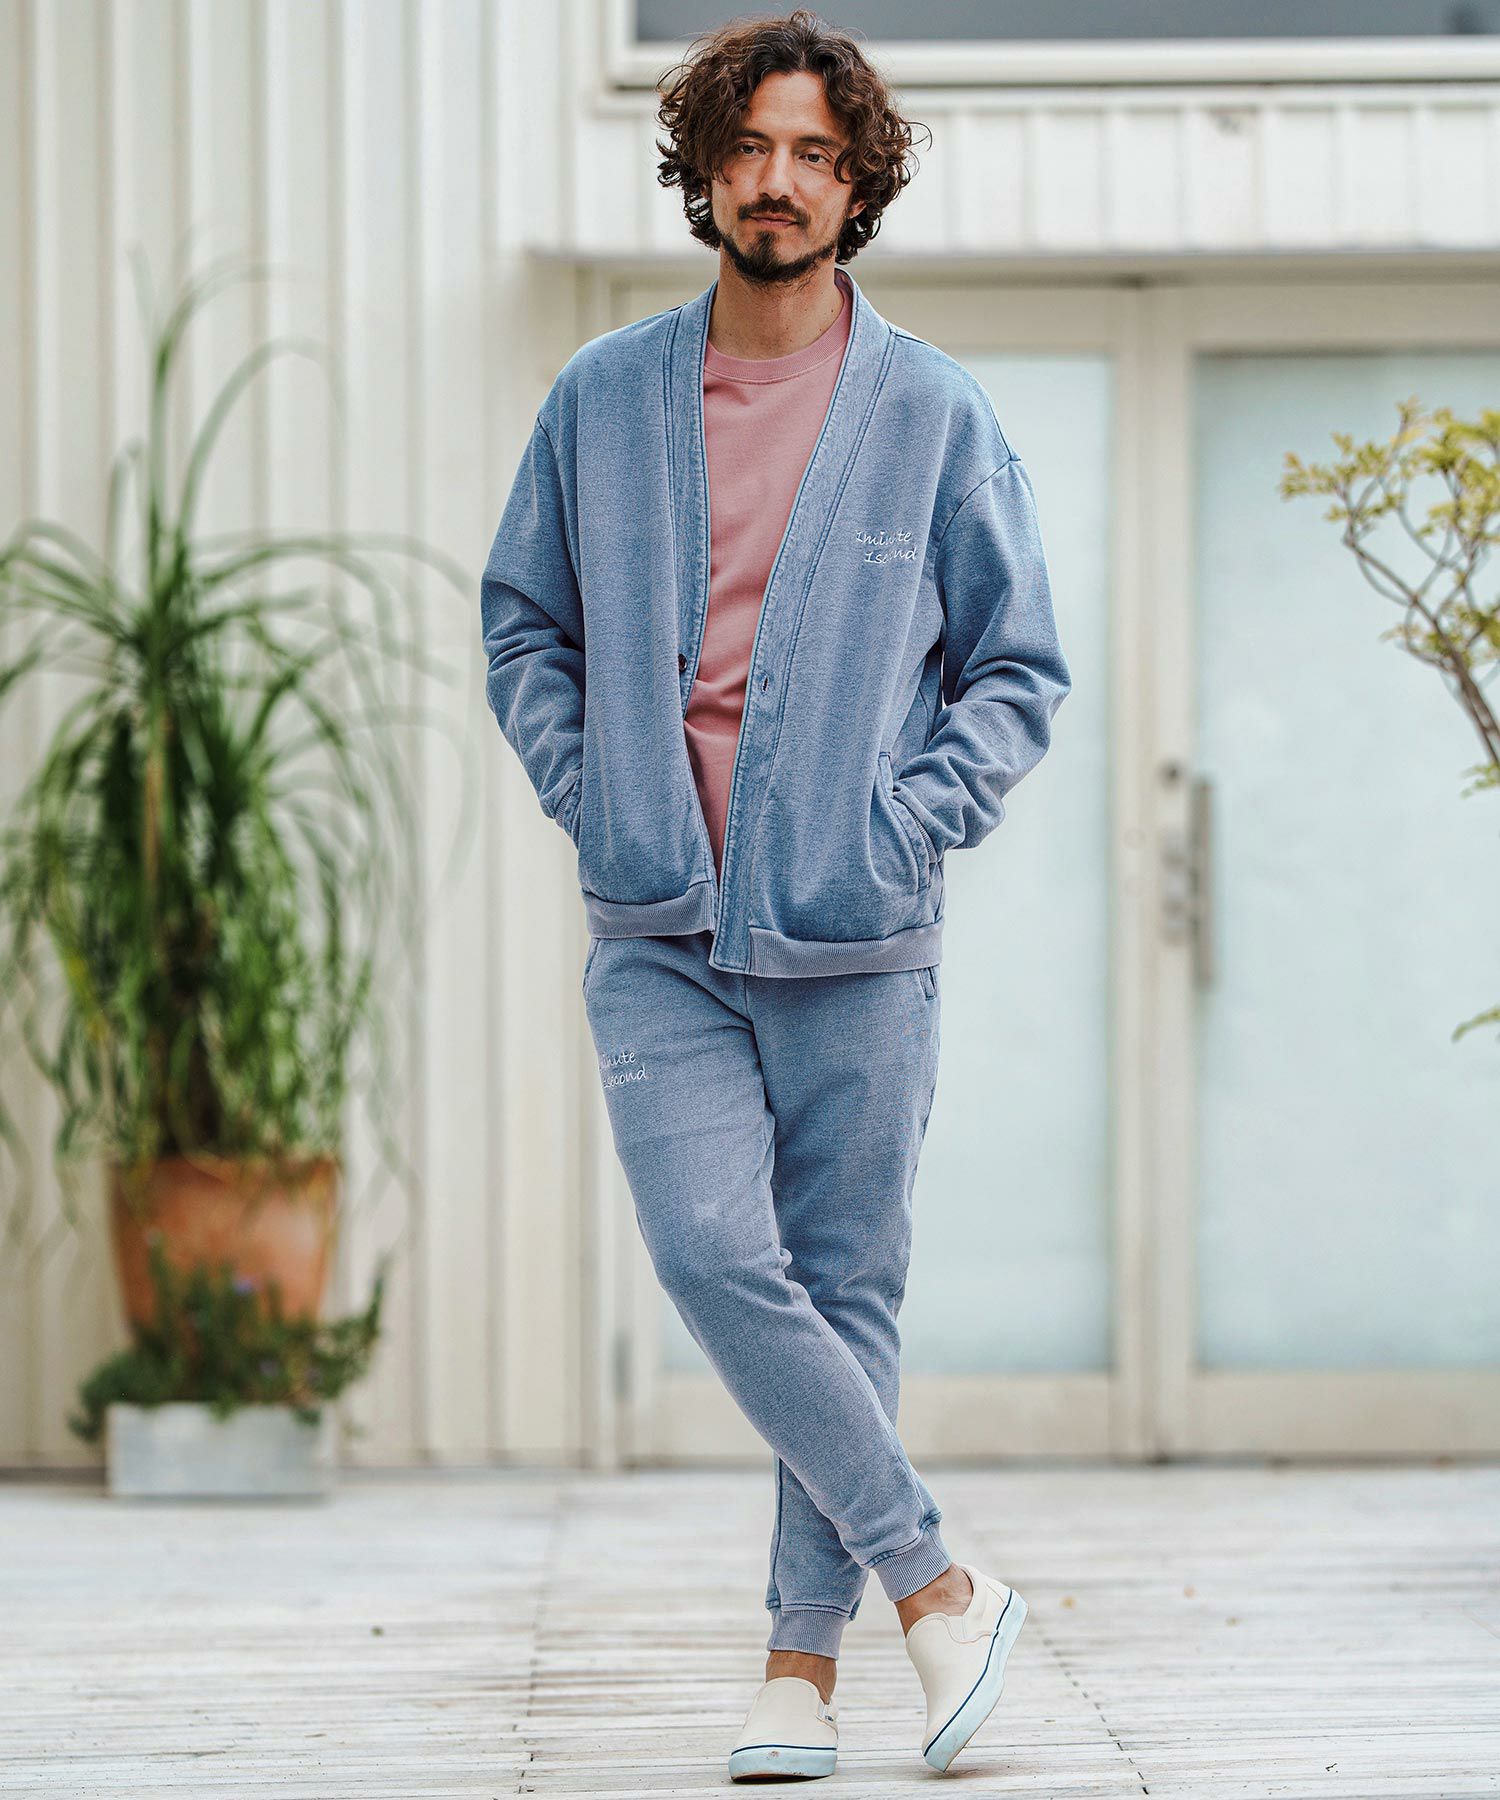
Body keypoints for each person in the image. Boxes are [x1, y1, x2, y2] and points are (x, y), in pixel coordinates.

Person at [479, 8, 1070, 1780]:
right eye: (750, 147)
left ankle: (798, 1678)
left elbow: (1017, 669)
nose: (780, 181)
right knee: (714, 1254)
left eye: (815, 152)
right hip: (661, 929)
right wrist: (600, 796)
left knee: (848, 1287)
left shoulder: (932, 413)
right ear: (705, 169)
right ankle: (936, 1581)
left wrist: (905, 824)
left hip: (857, 934)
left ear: (855, 180)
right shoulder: (600, 400)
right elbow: (524, 628)